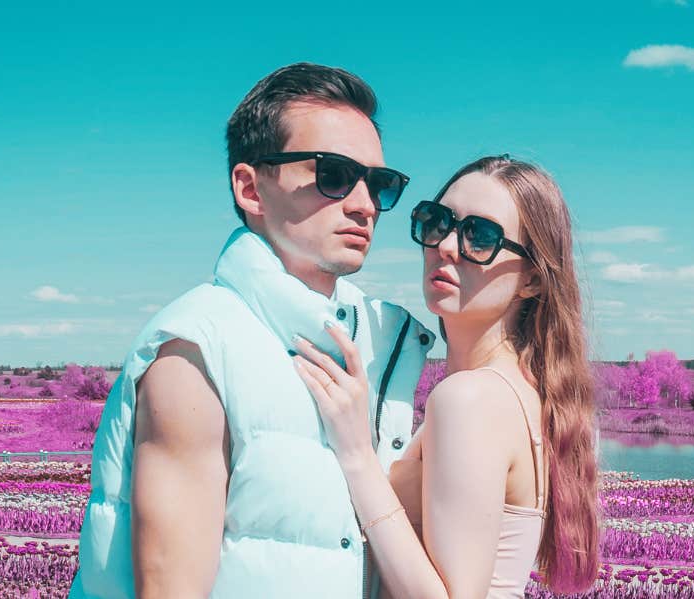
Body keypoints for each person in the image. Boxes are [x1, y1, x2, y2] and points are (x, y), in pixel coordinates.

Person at [68, 63, 436, 599]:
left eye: (379, 183)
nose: (362, 205)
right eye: (333, 175)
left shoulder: (381, 343)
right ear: (251, 188)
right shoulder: (197, 349)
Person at [293, 156, 601, 598]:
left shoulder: (471, 399)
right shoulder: (522, 392)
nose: (448, 246)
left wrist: (358, 454)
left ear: (532, 278)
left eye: (481, 236)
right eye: (437, 222)